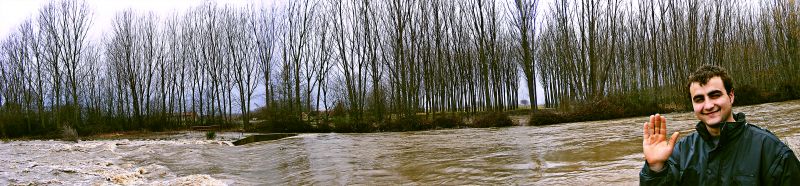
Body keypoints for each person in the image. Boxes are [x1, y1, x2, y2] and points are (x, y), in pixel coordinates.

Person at [639, 65, 800, 185]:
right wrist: (655, 168)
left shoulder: (772, 152)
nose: (708, 105)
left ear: (731, 96)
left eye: (714, 95)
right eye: (699, 99)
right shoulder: (680, 152)